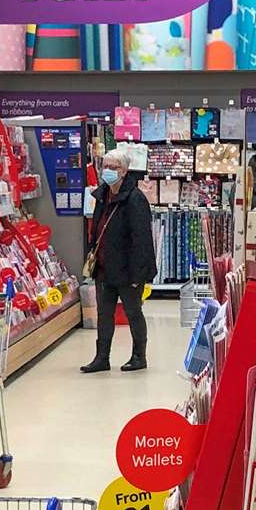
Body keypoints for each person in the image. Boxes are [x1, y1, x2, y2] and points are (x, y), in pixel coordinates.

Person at [81, 148, 156, 373]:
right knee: (104, 315)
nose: (108, 171)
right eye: (105, 166)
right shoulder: (102, 195)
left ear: (124, 171)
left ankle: (138, 356)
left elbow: (142, 239)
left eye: (113, 167)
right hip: (104, 267)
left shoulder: (135, 199)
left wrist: (138, 275)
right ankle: (101, 358)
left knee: (133, 312)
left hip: (127, 269)